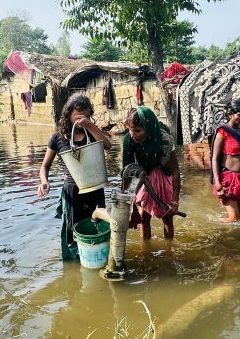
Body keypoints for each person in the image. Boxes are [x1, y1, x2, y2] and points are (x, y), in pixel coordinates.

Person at [38, 94, 112, 260]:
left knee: (98, 224)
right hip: (72, 191)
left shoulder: (91, 133)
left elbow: (107, 145)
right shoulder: (58, 138)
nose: (81, 120)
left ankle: (97, 258)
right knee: (74, 229)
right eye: (77, 116)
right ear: (68, 114)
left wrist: (90, 125)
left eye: (85, 116)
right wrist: (44, 182)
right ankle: (76, 263)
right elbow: (45, 166)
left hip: (94, 186)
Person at [123, 106, 181, 239]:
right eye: (130, 130)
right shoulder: (129, 140)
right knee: (143, 217)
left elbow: (176, 170)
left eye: (138, 130)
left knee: (167, 216)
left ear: (148, 128)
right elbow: (128, 171)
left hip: (162, 175)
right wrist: (128, 199)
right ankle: (146, 252)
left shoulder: (164, 140)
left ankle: (169, 250)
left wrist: (175, 201)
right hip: (142, 178)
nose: (133, 134)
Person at [211, 98, 240, 222]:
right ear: (230, 114)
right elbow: (214, 159)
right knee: (234, 219)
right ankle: (219, 235)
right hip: (229, 180)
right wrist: (218, 182)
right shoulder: (222, 132)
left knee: (239, 218)